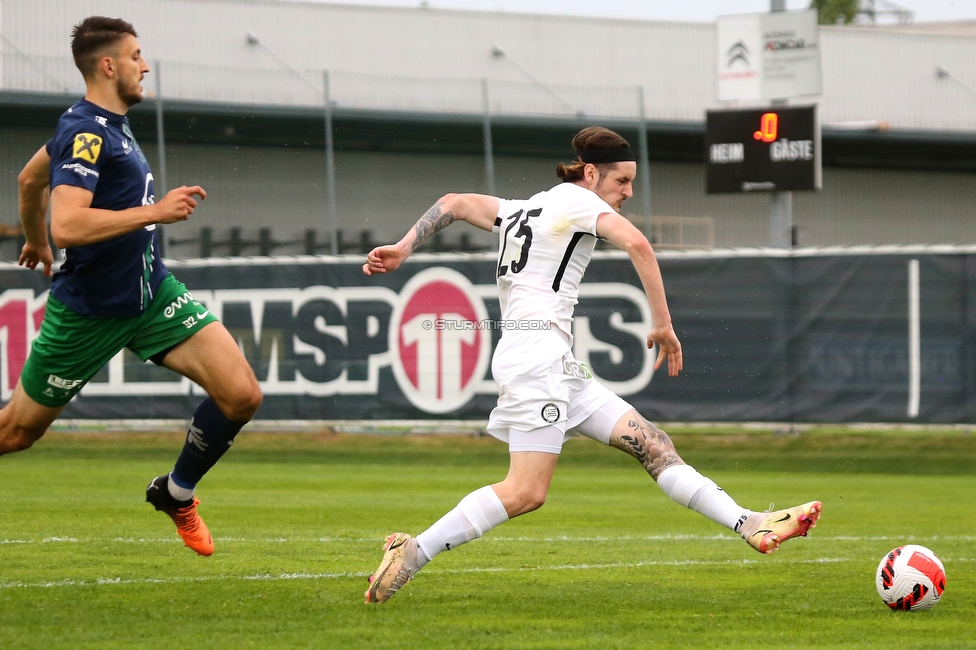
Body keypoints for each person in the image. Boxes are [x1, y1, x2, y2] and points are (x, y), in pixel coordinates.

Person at [361, 126, 822, 603]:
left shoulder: (523, 208)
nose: (627, 193)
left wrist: (403, 247)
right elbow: (640, 246)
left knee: (653, 444)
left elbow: (454, 202)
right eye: (622, 182)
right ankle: (414, 552)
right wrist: (663, 325)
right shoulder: (579, 203)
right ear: (590, 173)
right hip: (536, 361)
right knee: (525, 492)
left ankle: (751, 524)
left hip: (554, 363)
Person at [2, 16, 262, 556]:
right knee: (15, 434)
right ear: (108, 65)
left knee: (241, 394)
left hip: (150, 295)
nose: (145, 66)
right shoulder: (87, 131)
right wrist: (156, 211)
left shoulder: (105, 123)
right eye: (137, 56)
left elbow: (30, 180)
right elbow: (69, 224)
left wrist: (35, 241)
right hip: (91, 311)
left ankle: (176, 492)